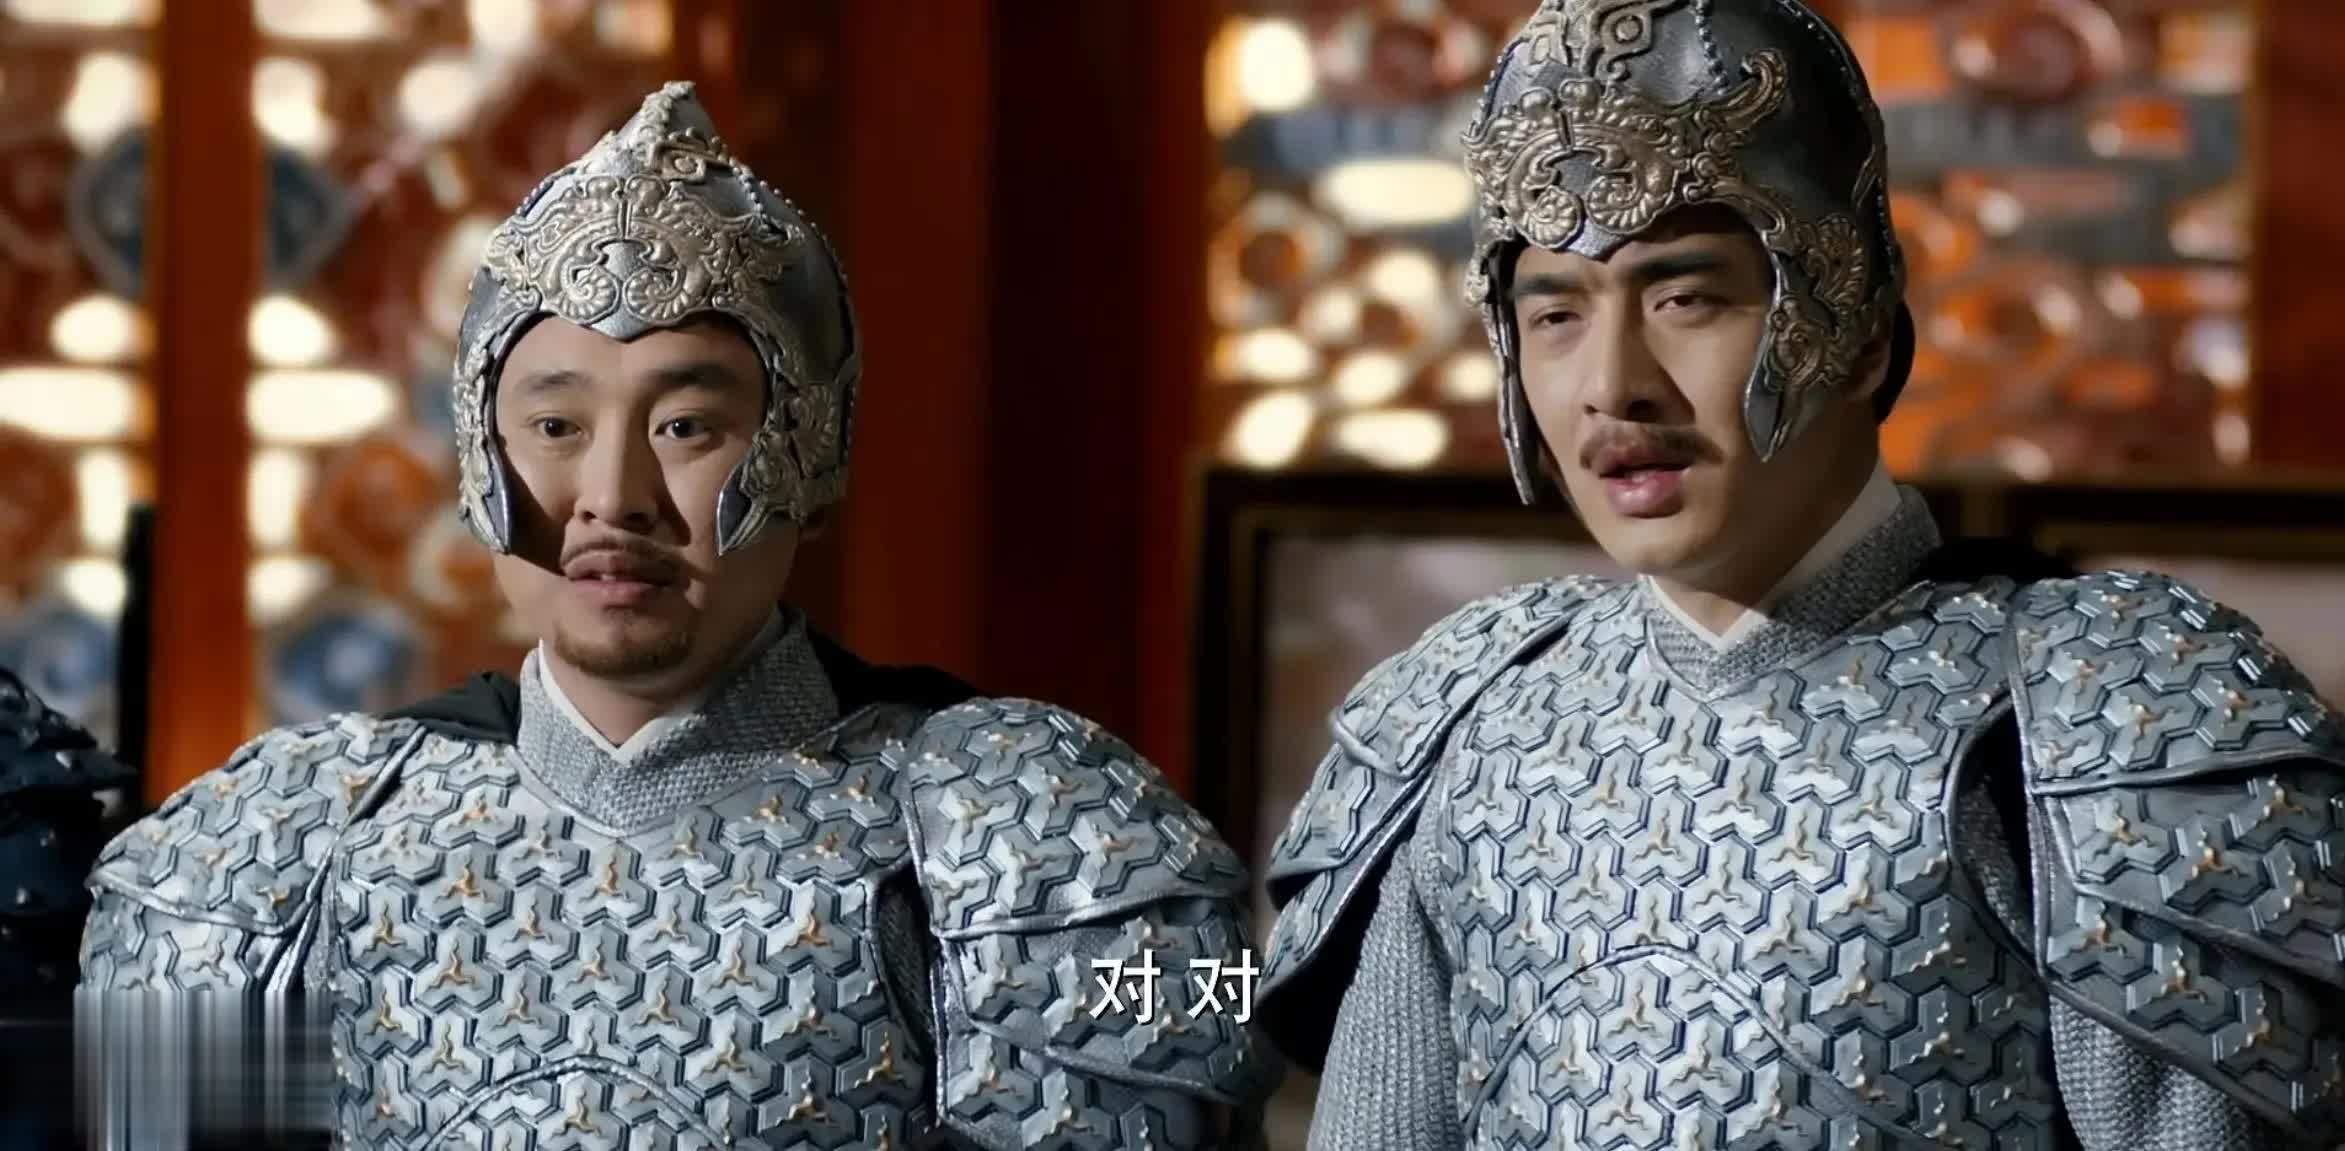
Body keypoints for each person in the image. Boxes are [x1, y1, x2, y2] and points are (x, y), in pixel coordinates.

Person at [81, 83, 1272, 1150]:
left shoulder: (1048, 827)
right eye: (555, 426)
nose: (613, 497)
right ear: (479, 456)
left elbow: (1218, 1025)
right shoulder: (275, 843)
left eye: (685, 427)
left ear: (809, 447)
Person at [1256, 3, 2345, 1149]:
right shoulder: (1469, 719)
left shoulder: (2097, 712)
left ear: (1859, 328)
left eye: (1683, 298)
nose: (1611, 383)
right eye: (1556, 313)